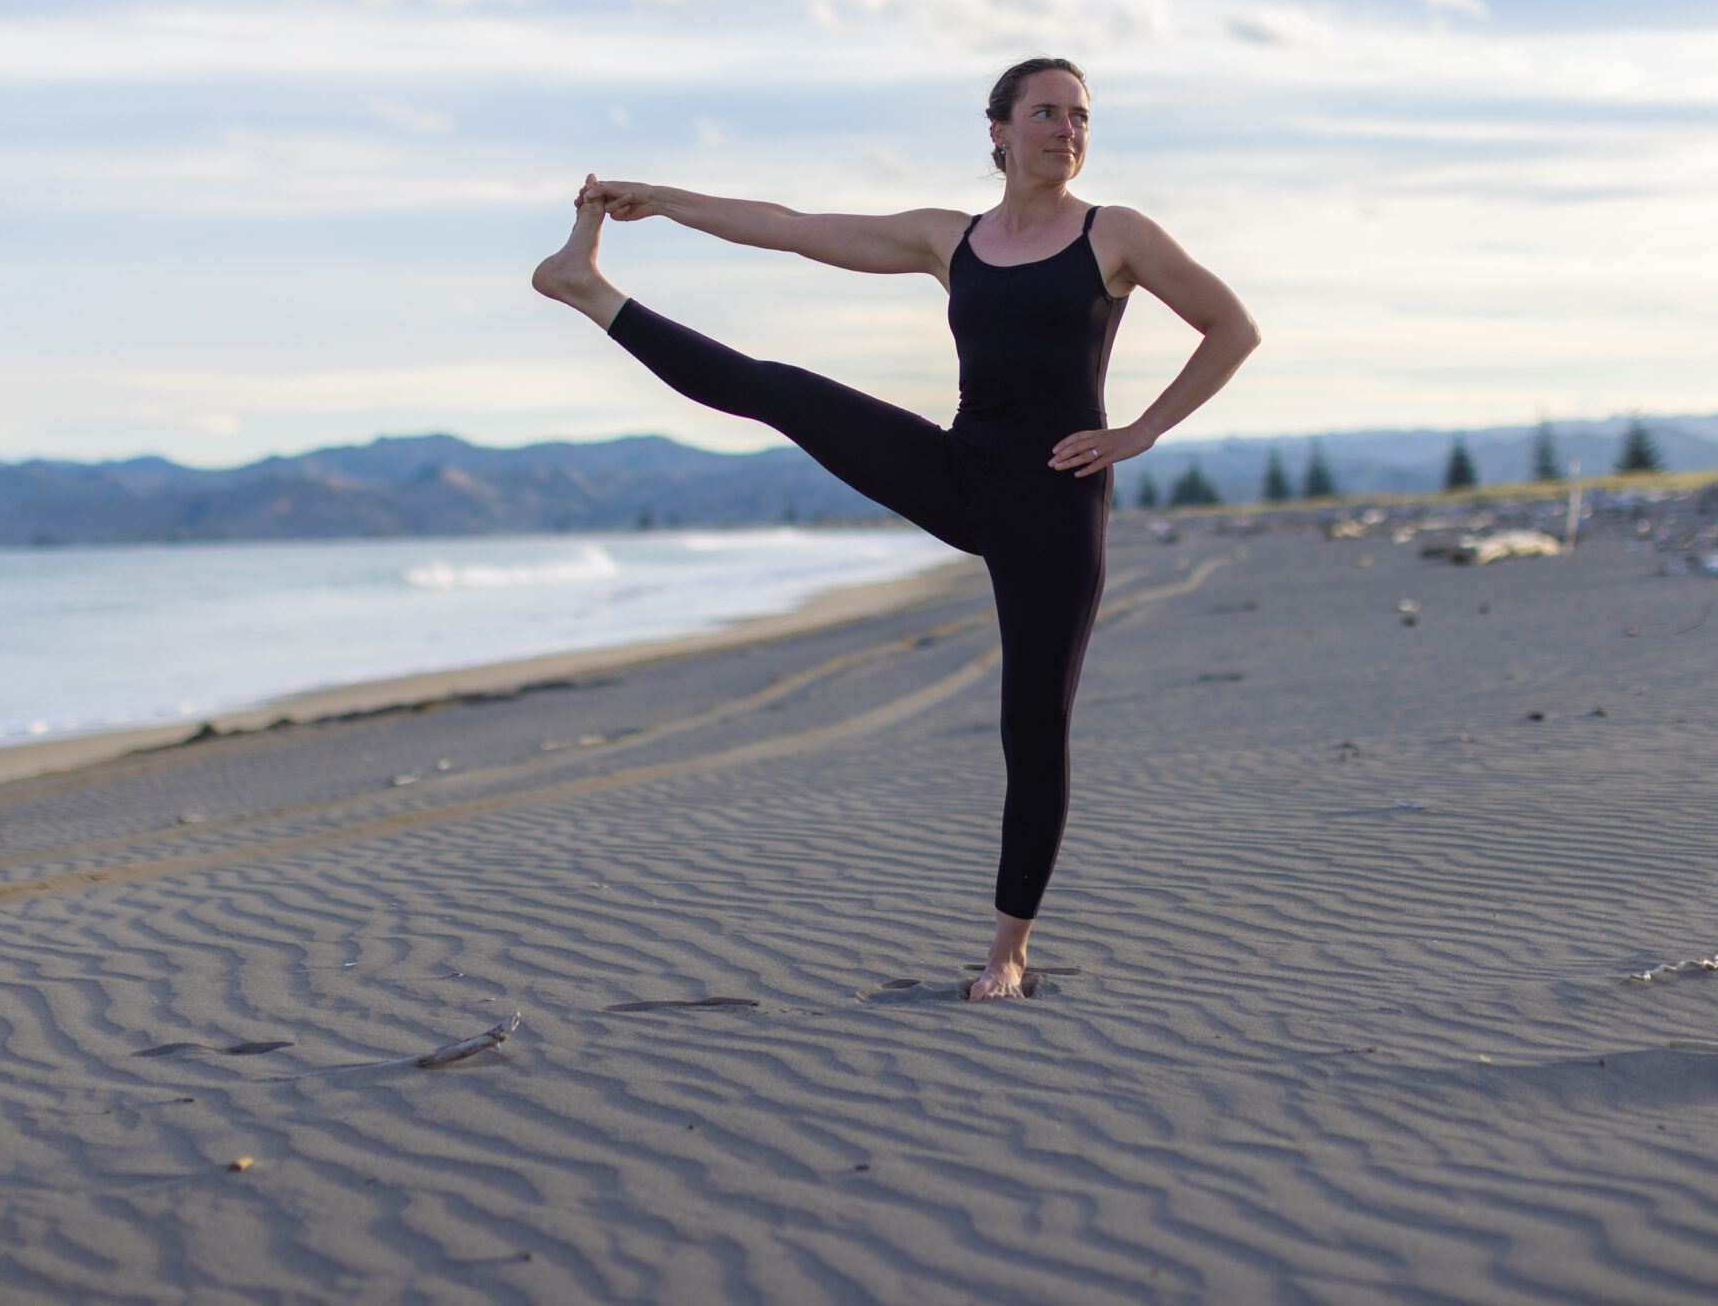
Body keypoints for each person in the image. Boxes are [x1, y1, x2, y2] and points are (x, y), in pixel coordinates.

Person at [532, 58, 1259, 999]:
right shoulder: (949, 240)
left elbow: (1230, 327)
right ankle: (588, 288)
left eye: (1079, 116)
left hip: (1055, 503)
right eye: (1045, 113)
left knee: (1033, 727)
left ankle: (1008, 950)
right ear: (998, 131)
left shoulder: (1112, 233)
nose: (1065, 131)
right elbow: (793, 231)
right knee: (774, 389)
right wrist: (665, 200)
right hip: (962, 476)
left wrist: (1141, 430)